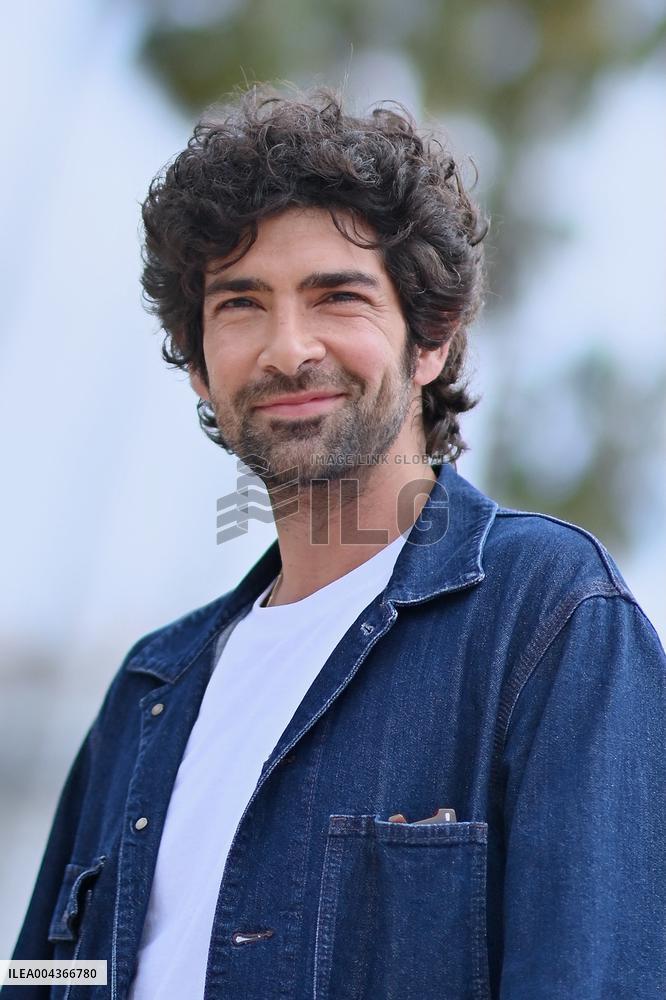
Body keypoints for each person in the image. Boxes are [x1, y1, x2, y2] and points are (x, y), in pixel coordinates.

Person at [4, 87, 665, 1000]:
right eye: (241, 304)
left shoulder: (549, 622)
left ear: (429, 338)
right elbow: (42, 968)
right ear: (198, 362)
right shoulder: (149, 690)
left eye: (337, 296)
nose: (287, 348)